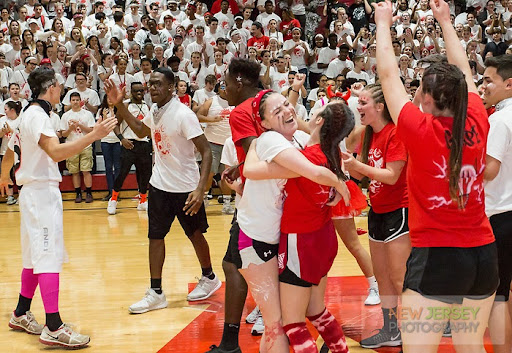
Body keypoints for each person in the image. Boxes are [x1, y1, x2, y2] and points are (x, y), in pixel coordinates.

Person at [373, 1, 499, 352]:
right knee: (470, 343)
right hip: (482, 256)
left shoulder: (418, 129)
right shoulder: (476, 114)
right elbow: (463, 67)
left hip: (438, 258)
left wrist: (383, 21)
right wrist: (445, 20)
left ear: (426, 99)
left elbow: (387, 76)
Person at [1, 67, 117, 348]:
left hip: (33, 193)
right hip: (40, 195)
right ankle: (53, 326)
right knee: (48, 257)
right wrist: (94, 135)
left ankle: (20, 313)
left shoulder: (29, 113)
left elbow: (10, 151)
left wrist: (5, 175)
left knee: (32, 258)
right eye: (59, 86)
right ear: (50, 87)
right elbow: (55, 152)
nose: (62, 90)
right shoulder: (38, 116)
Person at [104, 67, 221, 312]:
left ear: (171, 87)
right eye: (151, 84)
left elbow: (207, 150)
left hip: (186, 188)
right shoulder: (155, 111)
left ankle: (209, 277)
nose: (152, 88)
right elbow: (139, 130)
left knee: (195, 234)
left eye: (158, 84)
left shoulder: (183, 114)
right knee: (155, 237)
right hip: (159, 185)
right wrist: (120, 105)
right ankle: (156, 292)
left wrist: (201, 189)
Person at [243, 96, 354, 353]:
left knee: (293, 322)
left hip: (300, 240)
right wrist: (341, 180)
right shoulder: (330, 150)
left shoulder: (304, 157)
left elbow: (252, 171)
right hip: (323, 238)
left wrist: (253, 146)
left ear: (319, 120)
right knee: (316, 311)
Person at [342, 84, 410, 349]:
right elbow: (360, 175)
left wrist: (357, 165)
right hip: (377, 211)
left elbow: (392, 176)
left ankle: (419, 330)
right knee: (382, 277)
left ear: (379, 107)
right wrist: (343, 164)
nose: (358, 108)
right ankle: (391, 330)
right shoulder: (368, 134)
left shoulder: (396, 133)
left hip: (399, 210)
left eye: (363, 103)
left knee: (400, 277)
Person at [205, 58, 262, 353]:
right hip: (280, 196)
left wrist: (242, 172)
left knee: (236, 265)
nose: (224, 89)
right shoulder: (270, 100)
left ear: (240, 81)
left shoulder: (241, 112)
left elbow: (258, 155)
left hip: (257, 202)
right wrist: (239, 167)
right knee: (247, 265)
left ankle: (230, 344)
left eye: (226, 83)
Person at [481, 54, 512, 353]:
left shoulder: (500, 119)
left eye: (490, 80)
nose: (485, 85)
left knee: (497, 295)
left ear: (509, 84)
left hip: (501, 214)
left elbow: (489, 171)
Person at [107, 82, 152, 214]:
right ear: (131, 92)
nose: (139, 93)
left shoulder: (146, 106)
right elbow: (115, 124)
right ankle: (113, 199)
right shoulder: (126, 105)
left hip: (144, 144)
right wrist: (122, 138)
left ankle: (143, 200)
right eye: (136, 91)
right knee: (122, 173)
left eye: (141, 90)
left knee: (145, 174)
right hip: (129, 144)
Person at [196, 80, 235, 215]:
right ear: (219, 89)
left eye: (227, 86)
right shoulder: (211, 101)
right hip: (212, 143)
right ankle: (204, 198)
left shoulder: (236, 102)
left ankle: (227, 203)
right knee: (209, 173)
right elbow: (198, 116)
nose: (225, 89)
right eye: (223, 87)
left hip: (229, 145)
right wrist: (211, 120)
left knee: (227, 175)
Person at [60, 92, 96, 203]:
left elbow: (91, 131)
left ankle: (89, 193)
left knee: (86, 170)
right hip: (71, 145)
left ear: (80, 101)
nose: (75, 102)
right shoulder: (66, 115)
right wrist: (71, 128)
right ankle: (78, 193)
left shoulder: (87, 114)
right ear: (70, 102)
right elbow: (63, 134)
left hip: (85, 145)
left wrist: (79, 125)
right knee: (74, 171)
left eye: (77, 100)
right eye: (73, 100)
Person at [97, 95, 121, 201]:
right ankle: (110, 191)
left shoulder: (119, 110)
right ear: (105, 99)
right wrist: (105, 118)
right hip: (105, 141)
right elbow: (99, 127)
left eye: (112, 98)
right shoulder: (101, 111)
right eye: (108, 98)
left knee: (118, 167)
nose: (110, 100)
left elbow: (120, 124)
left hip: (117, 141)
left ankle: (116, 193)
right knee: (108, 167)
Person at [0, 101, 23, 205]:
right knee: (7, 174)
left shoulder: (20, 120)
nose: (4, 112)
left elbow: (21, 136)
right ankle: (9, 196)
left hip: (18, 151)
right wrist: (3, 132)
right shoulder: (2, 120)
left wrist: (11, 130)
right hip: (5, 150)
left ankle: (21, 195)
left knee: (18, 173)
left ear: (12, 110)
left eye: (5, 109)